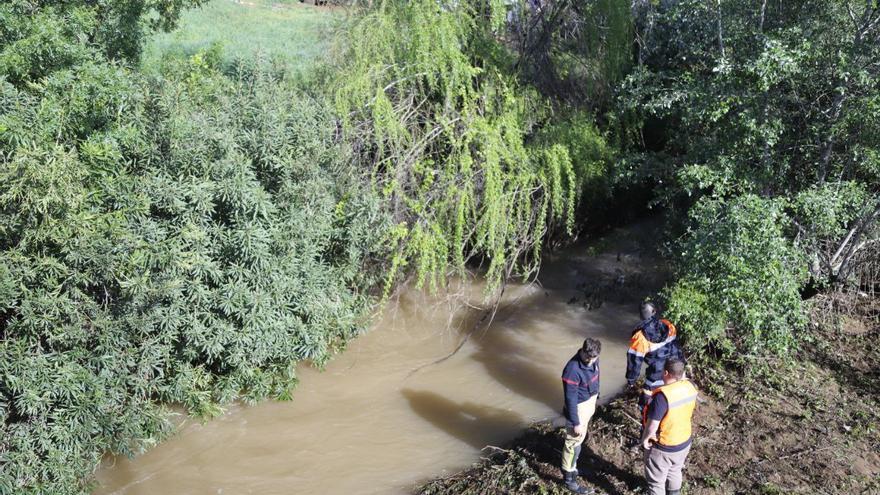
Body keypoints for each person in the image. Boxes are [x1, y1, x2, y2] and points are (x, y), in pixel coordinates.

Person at [640, 359, 698, 495]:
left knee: (656, 482)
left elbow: (653, 424)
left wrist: (645, 439)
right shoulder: (691, 386)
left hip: (664, 448)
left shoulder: (662, 397)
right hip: (684, 442)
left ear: (665, 373)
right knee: (675, 470)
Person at [559, 338, 602, 494]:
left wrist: (597, 395)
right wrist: (575, 421)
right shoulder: (572, 370)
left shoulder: (595, 359)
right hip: (578, 408)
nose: (589, 361)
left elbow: (597, 376)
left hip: (589, 403)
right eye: (587, 358)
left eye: (593, 358)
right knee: (572, 443)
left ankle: (574, 467)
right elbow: (570, 398)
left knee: (580, 439)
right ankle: (569, 479)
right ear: (582, 350)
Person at [626, 302, 683, 409]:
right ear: (655, 312)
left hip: (657, 374)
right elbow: (676, 347)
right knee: (673, 399)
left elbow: (634, 362)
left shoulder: (640, 337)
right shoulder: (668, 325)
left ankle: (646, 415)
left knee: (647, 400)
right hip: (677, 369)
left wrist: (631, 381)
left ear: (640, 315)